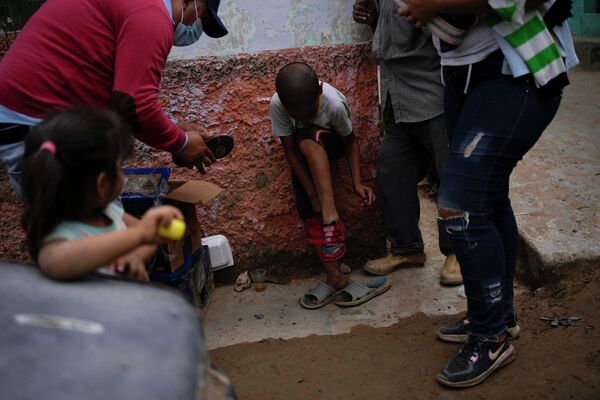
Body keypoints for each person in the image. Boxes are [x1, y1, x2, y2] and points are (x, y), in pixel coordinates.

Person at [399, 0, 578, 387]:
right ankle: (497, 316)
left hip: (518, 70)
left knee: (459, 209)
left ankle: (490, 337)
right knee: (488, 198)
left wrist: (432, 5)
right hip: (461, 75)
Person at [0, 0, 228, 198]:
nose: (195, 28)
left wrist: (176, 128)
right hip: (33, 122)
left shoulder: (140, 9)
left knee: (94, 222)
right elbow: (134, 106)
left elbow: (121, 96)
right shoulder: (152, 16)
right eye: (203, 17)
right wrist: (182, 143)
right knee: (93, 227)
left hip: (31, 117)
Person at [353, 0, 462, 286]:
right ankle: (406, 248)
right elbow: (391, 28)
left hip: (432, 88)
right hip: (396, 92)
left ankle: (459, 252)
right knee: (393, 171)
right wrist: (373, 19)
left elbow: (451, 24)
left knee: (452, 175)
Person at [270, 62, 390, 309]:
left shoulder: (333, 103)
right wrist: (311, 192)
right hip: (305, 160)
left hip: (329, 143)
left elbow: (350, 142)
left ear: (319, 92)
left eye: (309, 112)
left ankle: (330, 213)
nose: (304, 118)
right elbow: (289, 151)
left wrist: (357, 183)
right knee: (307, 207)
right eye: (297, 116)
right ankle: (334, 277)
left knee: (307, 138)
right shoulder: (278, 104)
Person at [21, 108, 184, 281]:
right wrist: (139, 234)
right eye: (120, 166)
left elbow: (148, 240)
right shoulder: (61, 236)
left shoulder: (109, 212)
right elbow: (56, 262)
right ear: (103, 184)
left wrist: (135, 256)